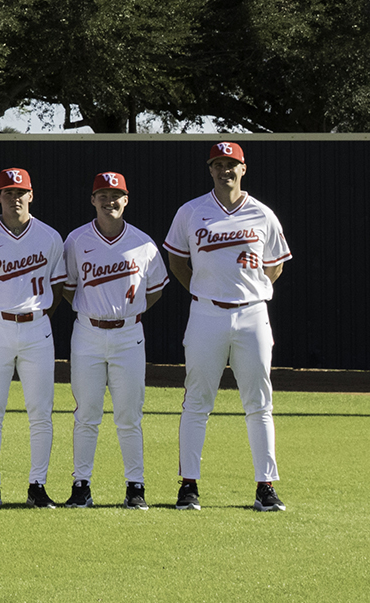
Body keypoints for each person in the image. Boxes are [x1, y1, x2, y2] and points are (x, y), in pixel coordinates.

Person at [164, 140, 291, 513]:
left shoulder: (262, 214)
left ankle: (265, 486)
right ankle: (188, 485)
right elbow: (176, 260)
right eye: (218, 164)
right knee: (197, 401)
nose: (225, 171)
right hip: (206, 313)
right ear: (210, 170)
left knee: (258, 403)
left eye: (231, 164)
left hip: (252, 314)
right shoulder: (191, 212)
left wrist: (251, 289)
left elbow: (276, 265)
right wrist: (204, 291)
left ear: (243, 168)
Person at [61, 172, 166, 510]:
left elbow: (155, 290)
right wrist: (96, 311)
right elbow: (67, 287)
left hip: (129, 334)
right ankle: (81, 485)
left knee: (129, 415)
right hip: (88, 333)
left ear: (127, 199)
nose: (110, 201)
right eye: (102, 195)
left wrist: (125, 312)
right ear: (92, 200)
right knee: (86, 413)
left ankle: (136, 486)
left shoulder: (143, 243)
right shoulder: (76, 240)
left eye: (116, 195)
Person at [0, 167, 67, 509]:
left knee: (40, 412)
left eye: (20, 192)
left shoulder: (50, 237)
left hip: (37, 326)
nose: (15, 198)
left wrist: (36, 315)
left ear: (31, 195)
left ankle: (37, 486)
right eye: (8, 192)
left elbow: (58, 287)